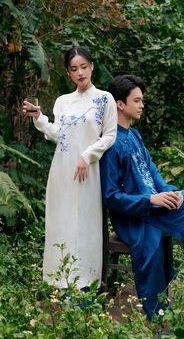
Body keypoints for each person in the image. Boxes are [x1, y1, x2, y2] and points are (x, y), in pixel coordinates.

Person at [100, 74, 184, 320]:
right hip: (135, 216)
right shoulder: (110, 143)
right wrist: (151, 200)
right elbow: (111, 196)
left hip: (155, 206)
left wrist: (168, 192)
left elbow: (152, 172)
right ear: (120, 104)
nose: (142, 105)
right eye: (137, 100)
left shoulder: (135, 135)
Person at [23, 46, 117, 291]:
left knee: (86, 224)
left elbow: (109, 136)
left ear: (92, 66)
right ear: (68, 73)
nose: (80, 72)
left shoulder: (105, 99)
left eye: (84, 66)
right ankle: (60, 282)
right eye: (74, 69)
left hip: (88, 170)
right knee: (61, 222)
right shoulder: (63, 101)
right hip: (62, 169)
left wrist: (87, 156)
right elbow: (58, 134)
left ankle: (85, 283)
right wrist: (39, 118)